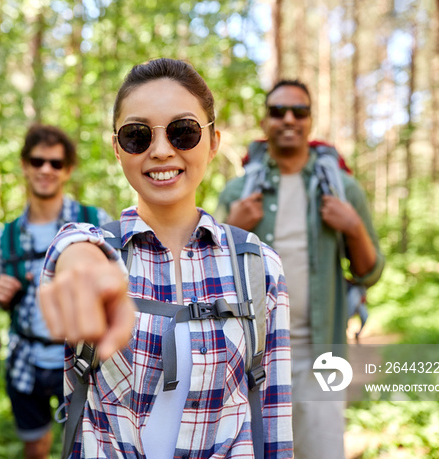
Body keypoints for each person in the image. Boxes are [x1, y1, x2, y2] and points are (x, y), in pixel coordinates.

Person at [38, 58, 293, 459]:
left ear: (213, 143)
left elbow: (274, 416)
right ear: (118, 149)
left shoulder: (257, 265)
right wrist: (75, 259)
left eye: (183, 132)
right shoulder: (96, 252)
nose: (160, 151)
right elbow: (71, 249)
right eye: (138, 135)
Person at [217, 79, 385, 459]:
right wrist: (233, 225)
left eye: (299, 111)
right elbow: (210, 280)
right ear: (265, 122)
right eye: (278, 111)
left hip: (322, 355)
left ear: (311, 120)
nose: (288, 119)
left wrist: (353, 226)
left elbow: (370, 272)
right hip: (252, 360)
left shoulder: (343, 189)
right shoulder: (237, 194)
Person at [0, 124, 111, 459]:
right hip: (25, 360)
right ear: (25, 165)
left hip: (81, 359)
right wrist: (1, 296)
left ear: (68, 170)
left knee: (87, 445)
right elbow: (2, 295)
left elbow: (117, 287)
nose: (46, 169)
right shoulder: (7, 235)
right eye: (38, 161)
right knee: (36, 445)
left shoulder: (93, 220)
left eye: (56, 163)